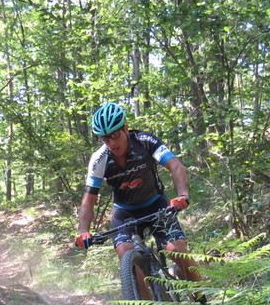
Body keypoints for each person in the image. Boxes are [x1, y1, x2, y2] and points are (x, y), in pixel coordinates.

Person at [74, 101, 203, 283]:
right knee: (126, 257)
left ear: (125, 128)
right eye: (105, 138)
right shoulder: (99, 159)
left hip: (155, 204)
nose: (111, 143)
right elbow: (88, 199)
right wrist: (83, 231)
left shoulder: (145, 141)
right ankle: (145, 301)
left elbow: (176, 165)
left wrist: (182, 195)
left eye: (115, 135)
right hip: (124, 212)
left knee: (177, 251)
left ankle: (202, 296)